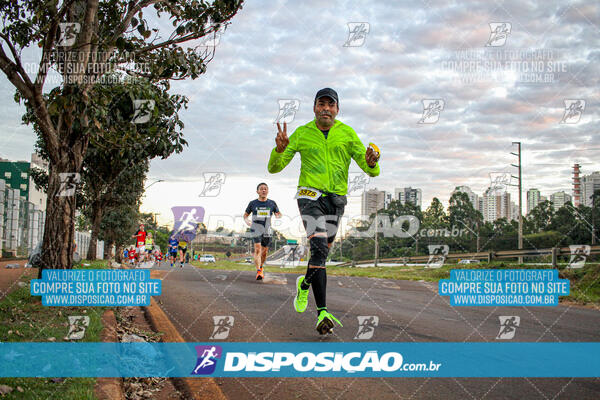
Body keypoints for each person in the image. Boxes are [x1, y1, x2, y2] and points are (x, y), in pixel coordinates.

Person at [268, 88, 380, 334]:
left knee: (320, 255)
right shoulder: (301, 133)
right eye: (321, 104)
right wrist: (278, 150)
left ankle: (304, 284)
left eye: (331, 104)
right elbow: (274, 168)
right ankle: (322, 313)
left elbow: (370, 169)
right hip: (309, 197)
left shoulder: (347, 134)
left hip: (336, 201)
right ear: (314, 107)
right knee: (318, 248)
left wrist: (372, 163)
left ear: (337, 109)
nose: (326, 108)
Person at [244, 183, 282, 280]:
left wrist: (278, 215)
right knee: (257, 249)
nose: (264, 190)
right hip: (256, 228)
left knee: (264, 252)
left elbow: (278, 213)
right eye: (261, 189)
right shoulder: (252, 203)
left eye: (265, 189)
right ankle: (258, 271)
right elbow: (245, 215)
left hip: (267, 229)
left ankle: (261, 267)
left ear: (268, 191)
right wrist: (247, 220)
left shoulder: (272, 203)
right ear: (257, 192)